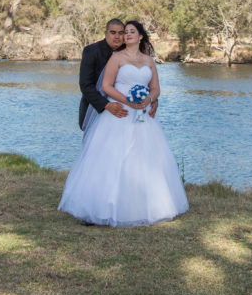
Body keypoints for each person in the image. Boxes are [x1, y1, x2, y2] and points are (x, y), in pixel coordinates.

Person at [59, 19, 189, 227]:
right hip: (113, 111)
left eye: (127, 32)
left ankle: (142, 205)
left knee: (142, 158)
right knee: (106, 158)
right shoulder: (105, 54)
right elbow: (95, 85)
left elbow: (154, 87)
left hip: (143, 116)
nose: (122, 36)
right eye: (118, 32)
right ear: (107, 32)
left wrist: (150, 99)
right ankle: (97, 207)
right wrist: (120, 103)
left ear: (140, 37)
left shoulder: (147, 60)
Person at [77, 17, 127, 130]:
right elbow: (85, 85)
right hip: (95, 109)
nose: (117, 37)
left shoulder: (129, 52)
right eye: (113, 32)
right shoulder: (91, 51)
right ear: (106, 33)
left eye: (121, 33)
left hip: (123, 111)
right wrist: (106, 105)